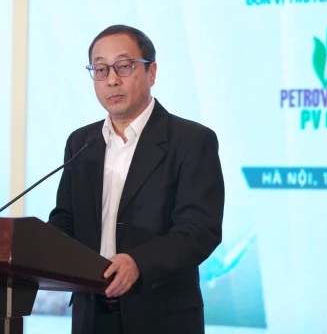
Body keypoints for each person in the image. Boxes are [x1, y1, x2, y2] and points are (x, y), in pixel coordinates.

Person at [48, 24, 225, 334]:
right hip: (91, 315)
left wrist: (138, 263)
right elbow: (66, 219)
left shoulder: (191, 141)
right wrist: (34, 248)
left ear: (151, 72)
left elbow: (199, 230)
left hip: (161, 316)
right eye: (100, 69)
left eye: (123, 66)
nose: (111, 79)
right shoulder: (82, 142)